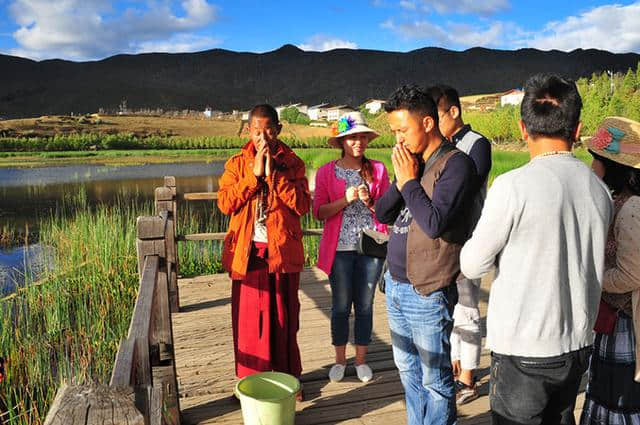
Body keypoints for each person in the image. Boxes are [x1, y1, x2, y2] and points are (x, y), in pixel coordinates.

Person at [460, 74, 613, 425]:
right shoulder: (598, 190)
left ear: (522, 128)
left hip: (523, 349)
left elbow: (472, 263)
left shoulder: (512, 186)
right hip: (576, 344)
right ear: (577, 130)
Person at [375, 84, 476, 425]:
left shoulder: (456, 165)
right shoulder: (412, 164)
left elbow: (434, 223)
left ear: (428, 123)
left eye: (402, 130)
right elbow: (383, 213)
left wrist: (408, 182)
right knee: (408, 372)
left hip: (427, 290)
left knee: (435, 380)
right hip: (396, 285)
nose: (398, 139)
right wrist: (403, 177)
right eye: (394, 132)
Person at [217, 104, 311, 392]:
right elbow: (225, 204)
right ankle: (251, 385)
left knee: (284, 318)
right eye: (257, 131)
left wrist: (274, 177)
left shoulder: (293, 163)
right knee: (250, 323)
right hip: (248, 254)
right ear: (249, 131)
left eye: (269, 130)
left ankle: (287, 383)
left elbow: (303, 205)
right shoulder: (236, 164)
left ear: (279, 130)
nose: (263, 137)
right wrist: (254, 176)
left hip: (281, 251)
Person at [313, 111, 390, 383]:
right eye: (352, 137)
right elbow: (319, 212)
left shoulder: (379, 170)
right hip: (340, 251)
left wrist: (370, 202)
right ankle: (339, 361)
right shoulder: (325, 173)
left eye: (362, 137)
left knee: (366, 306)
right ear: (342, 141)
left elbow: (387, 213)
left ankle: (360, 362)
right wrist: (345, 200)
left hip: (371, 249)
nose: (358, 142)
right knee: (341, 306)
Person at [427, 84, 492, 405]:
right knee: (449, 306)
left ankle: (468, 377)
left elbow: (465, 189)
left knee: (467, 308)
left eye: (437, 116)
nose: (434, 125)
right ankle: (456, 364)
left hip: (469, 239)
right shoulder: (442, 144)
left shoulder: (477, 144)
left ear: (454, 111)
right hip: (443, 241)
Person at [580, 116, 640, 425]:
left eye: (598, 162)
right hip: (616, 323)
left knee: (618, 399)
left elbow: (631, 275)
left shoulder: (629, 208)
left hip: (625, 325)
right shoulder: (621, 201)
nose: (593, 170)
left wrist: (591, 278)